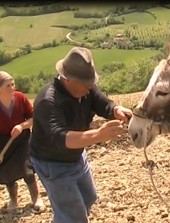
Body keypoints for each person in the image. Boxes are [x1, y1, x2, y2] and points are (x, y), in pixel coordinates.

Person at [29, 47, 132, 223]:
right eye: (86, 83)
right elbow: (61, 138)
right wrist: (99, 134)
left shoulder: (85, 89)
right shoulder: (49, 100)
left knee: (89, 198)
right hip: (53, 164)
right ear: (68, 79)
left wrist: (116, 109)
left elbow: (102, 102)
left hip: (77, 157)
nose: (90, 87)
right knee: (73, 217)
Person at [0, 71, 44, 213]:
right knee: (7, 174)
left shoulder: (20, 98)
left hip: (22, 140)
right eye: (8, 86)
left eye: (13, 84)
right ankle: (13, 200)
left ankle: (36, 198)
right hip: (2, 143)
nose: (13, 88)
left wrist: (21, 126)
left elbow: (33, 118)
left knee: (28, 170)